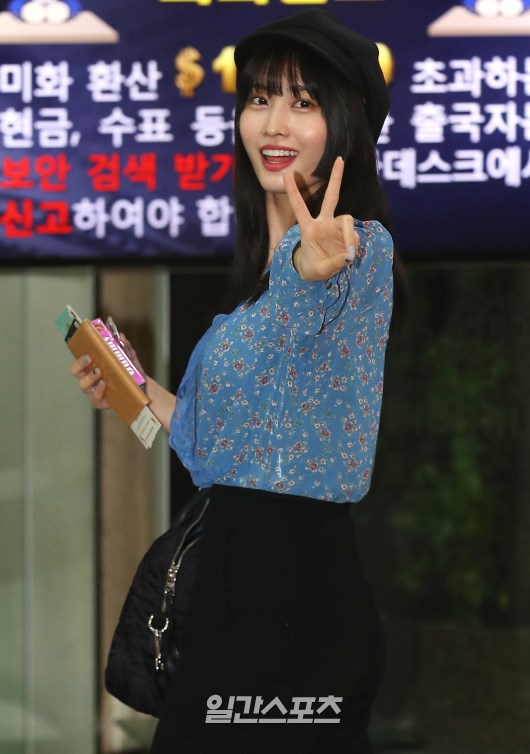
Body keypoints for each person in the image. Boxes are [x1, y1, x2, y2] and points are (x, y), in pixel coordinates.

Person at [70, 8, 406, 753]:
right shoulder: (260, 281)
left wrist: (309, 266)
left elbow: (315, 288)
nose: (274, 123)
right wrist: (130, 387)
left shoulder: (359, 251)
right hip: (231, 585)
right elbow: (212, 447)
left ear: (346, 127)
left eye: (303, 102)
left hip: (296, 596)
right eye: (259, 98)